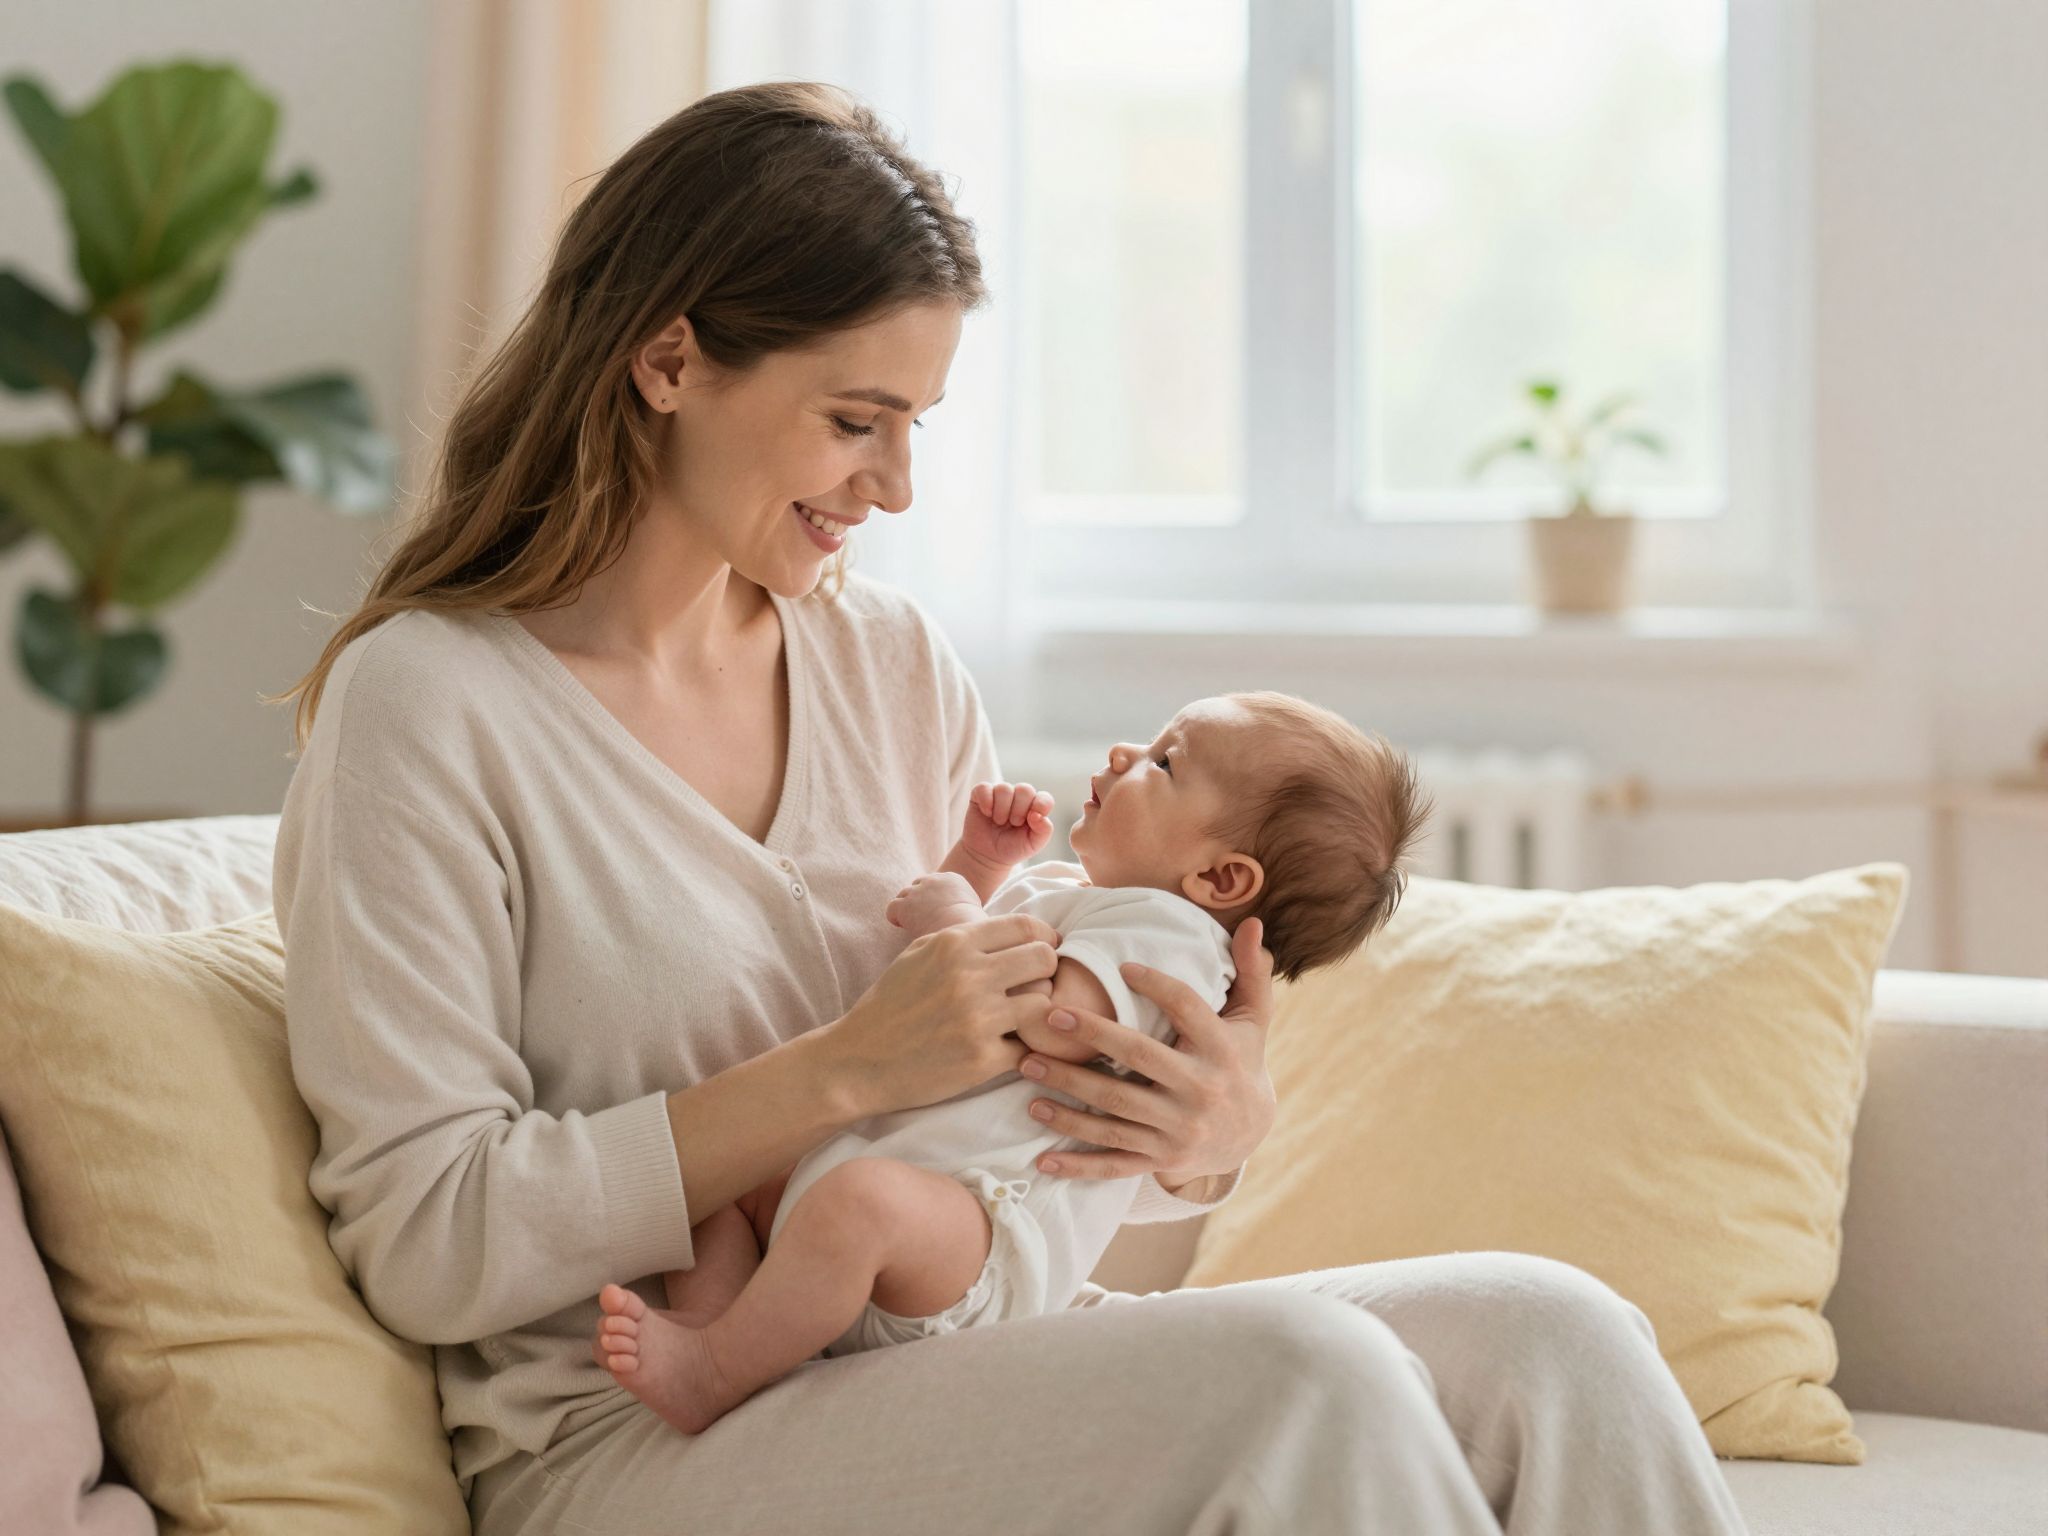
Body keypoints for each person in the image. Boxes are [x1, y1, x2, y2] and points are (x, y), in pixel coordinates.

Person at [267, 80, 1751, 1534]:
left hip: (942, 1341)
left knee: (1558, 1337)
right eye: (858, 419)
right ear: (667, 360)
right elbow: (424, 1236)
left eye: (915, 423)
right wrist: (841, 1071)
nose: (897, 486)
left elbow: (1002, 1151)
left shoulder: (889, 664)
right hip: (637, 1434)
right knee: (1304, 1378)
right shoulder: (431, 704)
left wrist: (1197, 1135)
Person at [596, 692, 1432, 1437]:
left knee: (857, 1207)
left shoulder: (1173, 942)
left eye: (1164, 761)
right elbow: (937, 985)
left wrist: (958, 909)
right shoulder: (1089, 896)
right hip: (894, 1198)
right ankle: (727, 1339)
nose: (1123, 755)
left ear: (1219, 877)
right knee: (720, 1175)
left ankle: (716, 1373)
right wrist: (982, 866)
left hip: (980, 1242)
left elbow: (1050, 1025)